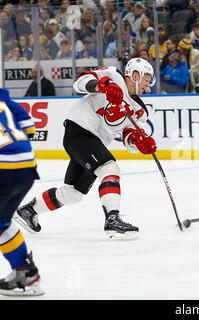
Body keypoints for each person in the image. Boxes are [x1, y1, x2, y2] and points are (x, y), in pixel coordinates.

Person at [15, 58, 157, 240]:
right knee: (110, 168)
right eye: (146, 79)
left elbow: (128, 135)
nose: (148, 85)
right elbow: (79, 82)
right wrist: (101, 86)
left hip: (94, 143)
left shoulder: (140, 110)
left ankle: (28, 211)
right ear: (135, 75)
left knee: (72, 194)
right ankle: (112, 220)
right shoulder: (113, 76)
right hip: (80, 129)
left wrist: (138, 143)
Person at [0, 88, 43, 296]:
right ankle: (25, 272)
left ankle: (24, 272)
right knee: (2, 222)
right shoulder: (5, 101)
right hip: (26, 167)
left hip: (3, 169)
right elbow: (30, 128)